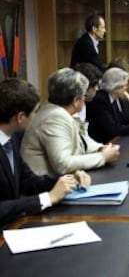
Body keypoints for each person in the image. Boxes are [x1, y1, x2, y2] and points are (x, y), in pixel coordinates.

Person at [0, 78, 90, 225]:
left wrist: (67, 180)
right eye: (35, 112)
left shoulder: (11, 138)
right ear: (20, 117)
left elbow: (28, 181)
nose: (37, 117)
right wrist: (48, 198)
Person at [21, 68, 119, 176]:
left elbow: (80, 142)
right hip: (44, 186)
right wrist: (102, 157)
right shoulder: (55, 118)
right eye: (84, 96)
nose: (84, 100)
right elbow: (63, 164)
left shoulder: (55, 111)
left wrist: (100, 148)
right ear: (76, 101)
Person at [86, 67, 129, 144]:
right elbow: (112, 129)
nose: (126, 88)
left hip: (115, 140)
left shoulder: (116, 97)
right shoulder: (100, 100)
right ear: (116, 88)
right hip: (103, 143)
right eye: (125, 85)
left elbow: (124, 120)